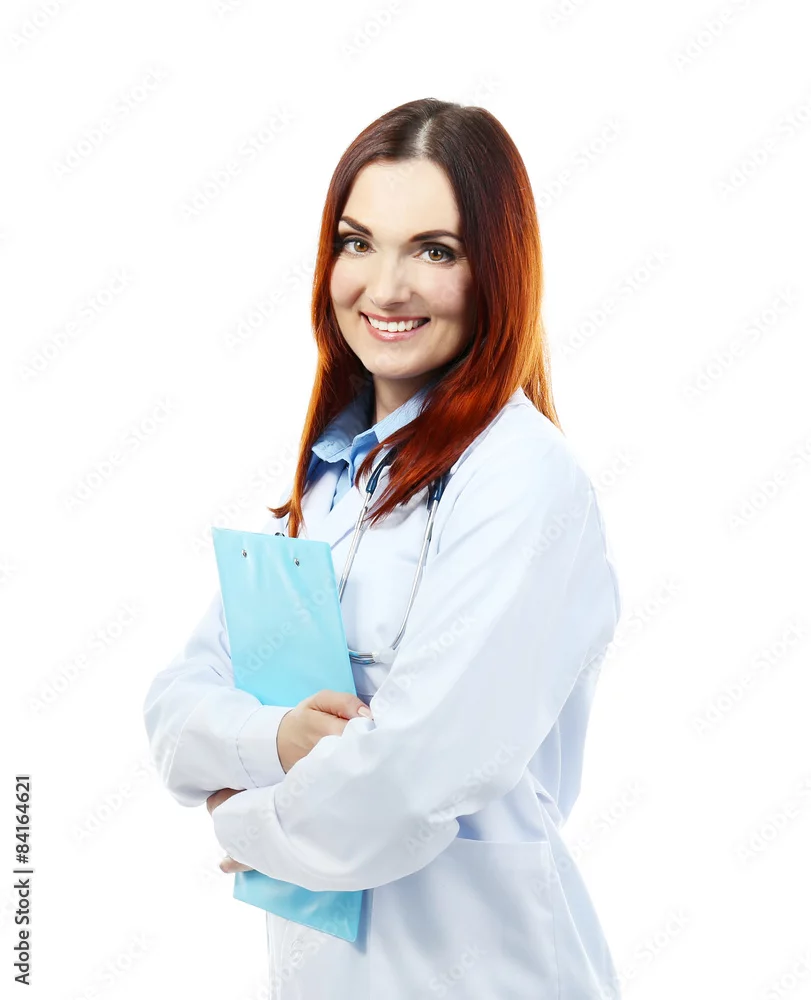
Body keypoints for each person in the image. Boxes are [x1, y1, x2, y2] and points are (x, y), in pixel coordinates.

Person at [143, 97, 623, 1000]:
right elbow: (175, 710)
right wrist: (278, 738)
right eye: (357, 242)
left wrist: (241, 819)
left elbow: (407, 781)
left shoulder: (520, 479)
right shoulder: (331, 482)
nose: (385, 287)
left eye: (434, 251)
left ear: (497, 271)